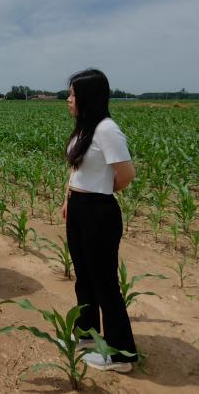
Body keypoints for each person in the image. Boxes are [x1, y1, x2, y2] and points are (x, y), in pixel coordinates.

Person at [60, 68, 138, 373]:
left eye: (73, 94)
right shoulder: (84, 128)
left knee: (105, 283)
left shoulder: (107, 129)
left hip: (98, 211)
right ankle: (87, 333)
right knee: (84, 276)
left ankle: (122, 354)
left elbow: (126, 175)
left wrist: (99, 192)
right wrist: (69, 198)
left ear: (88, 97)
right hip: (78, 207)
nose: (68, 100)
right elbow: (76, 169)